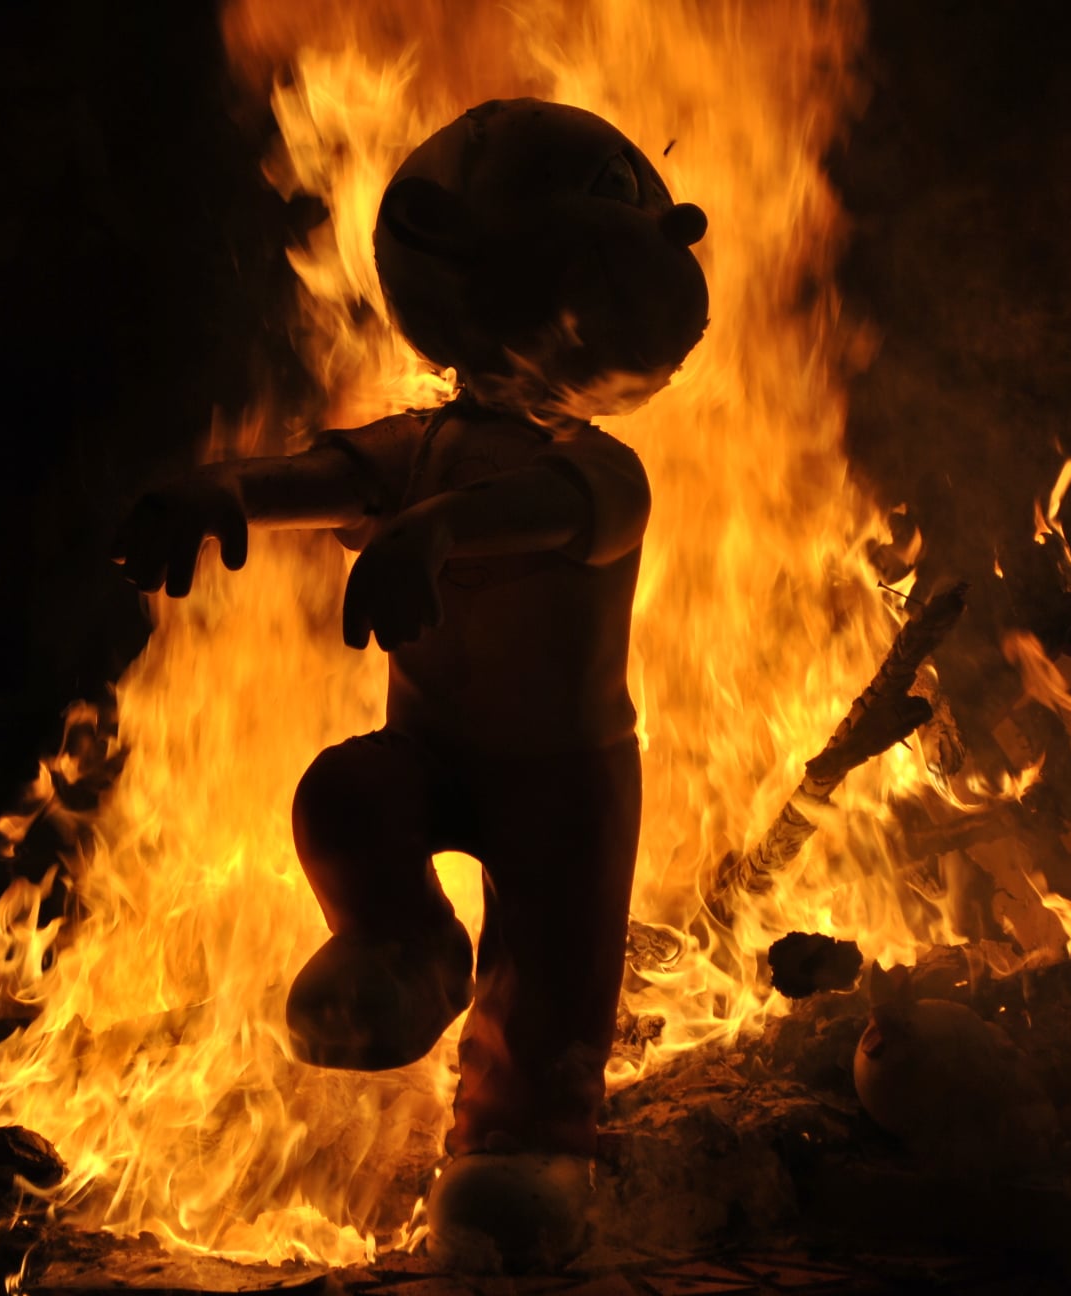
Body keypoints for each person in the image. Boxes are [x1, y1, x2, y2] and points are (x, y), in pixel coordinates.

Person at [113, 99, 710, 1270]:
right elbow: (328, 474)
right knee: (341, 798)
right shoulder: (425, 444)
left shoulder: (604, 472)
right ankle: (406, 951)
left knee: (547, 984)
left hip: (565, 784)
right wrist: (223, 493)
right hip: (431, 750)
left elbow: (538, 517)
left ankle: (519, 1152)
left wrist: (435, 534)